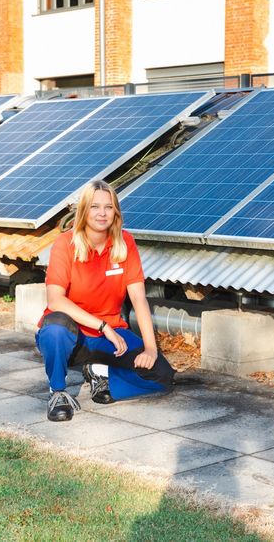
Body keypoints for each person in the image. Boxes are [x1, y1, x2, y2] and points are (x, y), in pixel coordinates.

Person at [35, 180, 176, 422]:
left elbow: (138, 298)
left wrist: (151, 349)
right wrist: (104, 326)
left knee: (162, 376)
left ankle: (103, 375)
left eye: (108, 207)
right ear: (84, 211)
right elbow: (56, 300)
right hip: (73, 339)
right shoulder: (65, 244)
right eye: (95, 207)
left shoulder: (125, 242)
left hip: (108, 340)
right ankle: (57, 392)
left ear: (116, 212)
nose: (102, 213)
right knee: (55, 328)